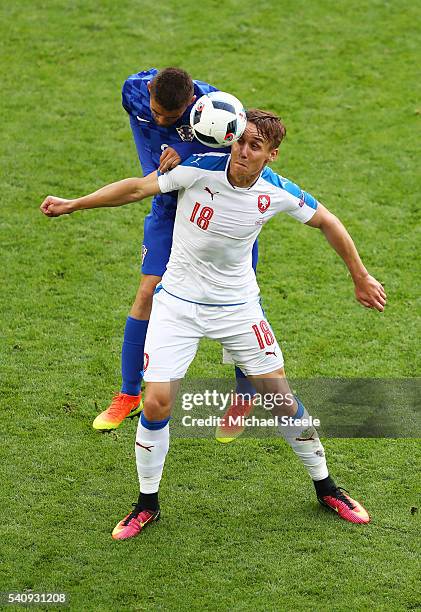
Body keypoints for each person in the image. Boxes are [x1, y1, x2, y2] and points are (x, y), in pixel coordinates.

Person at [40, 109, 387, 539]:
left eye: (254, 146)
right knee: (157, 403)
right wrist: (75, 204)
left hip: (238, 309)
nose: (242, 151)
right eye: (240, 141)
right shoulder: (198, 169)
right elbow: (135, 189)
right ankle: (146, 504)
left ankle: (328, 488)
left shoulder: (278, 192)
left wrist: (360, 276)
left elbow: (328, 222)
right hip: (178, 306)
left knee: (279, 398)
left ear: (271, 155)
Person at [92, 66, 257, 432]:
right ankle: (128, 394)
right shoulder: (133, 91)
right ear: (149, 91)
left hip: (219, 210)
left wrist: (183, 149)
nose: (160, 118)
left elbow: (244, 146)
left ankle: (246, 394)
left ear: (192, 103)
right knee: (147, 292)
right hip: (167, 205)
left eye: (172, 116)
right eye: (156, 111)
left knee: (243, 305)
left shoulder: (216, 107)